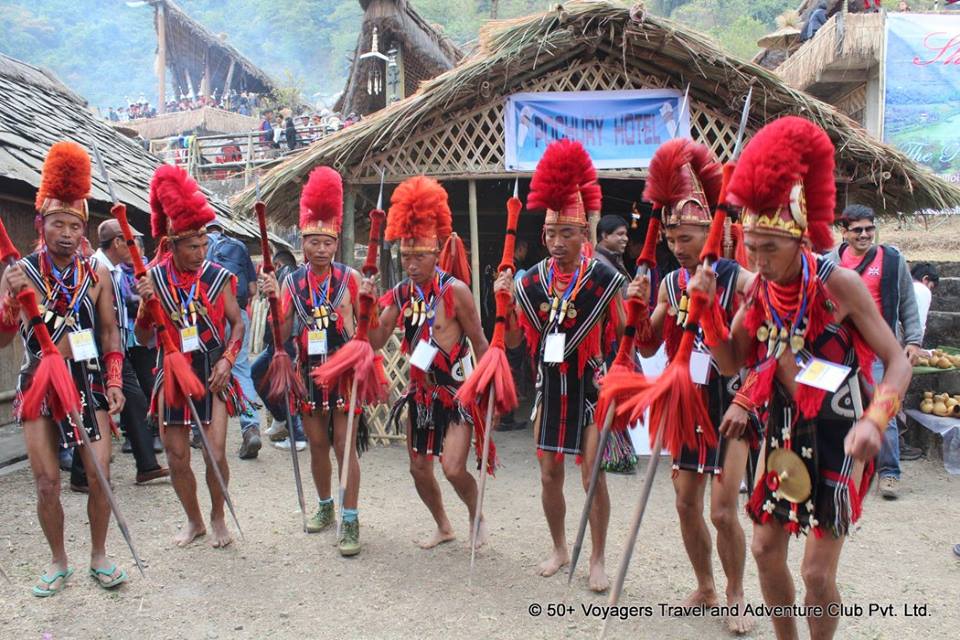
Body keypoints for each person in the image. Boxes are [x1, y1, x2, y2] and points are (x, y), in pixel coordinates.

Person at [697, 116, 911, 640]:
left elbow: (898, 359)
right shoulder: (758, 295)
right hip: (781, 435)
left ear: (799, 239)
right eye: (752, 248)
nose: (758, 261)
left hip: (841, 437)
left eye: (770, 248)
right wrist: (706, 310)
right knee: (766, 551)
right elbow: (731, 364)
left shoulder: (839, 284)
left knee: (817, 573)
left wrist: (876, 422)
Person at [627, 138, 757, 633]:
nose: (679, 249)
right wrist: (636, 310)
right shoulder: (669, 284)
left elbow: (758, 351)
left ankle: (737, 591)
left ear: (713, 230)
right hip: (686, 403)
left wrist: (746, 396)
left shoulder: (740, 279)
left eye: (688, 238)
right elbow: (646, 346)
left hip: (732, 403)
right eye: (673, 240)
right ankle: (704, 584)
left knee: (724, 512)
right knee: (685, 503)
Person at [496, 139, 626, 592]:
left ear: (583, 235)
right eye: (550, 234)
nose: (555, 242)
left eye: (565, 234)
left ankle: (598, 556)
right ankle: (558, 547)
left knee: (591, 475)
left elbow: (628, 337)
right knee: (549, 472)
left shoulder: (606, 279)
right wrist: (506, 303)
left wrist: (617, 372)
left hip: (590, 387)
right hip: (549, 387)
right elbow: (515, 341)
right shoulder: (530, 281)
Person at [0, 141, 128, 595]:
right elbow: (4, 338)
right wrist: (9, 303)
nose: (68, 234)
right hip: (38, 384)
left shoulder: (98, 275)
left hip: (89, 383)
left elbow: (110, 332)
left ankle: (99, 554)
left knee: (100, 474)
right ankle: (58, 559)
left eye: (75, 225)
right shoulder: (20, 273)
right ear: (42, 225)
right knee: (47, 482)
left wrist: (114, 381)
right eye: (59, 224)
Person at [364, 176, 491, 550]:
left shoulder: (456, 291)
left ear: (436, 252)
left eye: (419, 256)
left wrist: (487, 390)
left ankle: (476, 514)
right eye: (405, 256)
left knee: (453, 468)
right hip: (419, 395)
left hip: (455, 393)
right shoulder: (400, 293)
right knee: (419, 469)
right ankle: (443, 525)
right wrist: (367, 309)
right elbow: (374, 341)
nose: (412, 263)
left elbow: (480, 340)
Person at [134, 164, 246, 549]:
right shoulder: (153, 279)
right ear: (173, 243)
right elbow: (141, 336)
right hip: (173, 371)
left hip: (212, 370)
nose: (200, 253)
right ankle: (194, 520)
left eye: (203, 245)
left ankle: (218, 516)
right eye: (192, 247)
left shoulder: (217, 278)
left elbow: (238, 325)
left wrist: (228, 361)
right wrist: (147, 307)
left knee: (214, 452)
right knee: (177, 456)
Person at [259, 167, 368, 555]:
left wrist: (365, 308)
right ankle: (324, 507)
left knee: (344, 444)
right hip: (307, 372)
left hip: (344, 372)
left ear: (335, 243)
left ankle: (350, 518)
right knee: (318, 444)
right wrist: (272, 299)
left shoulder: (351, 279)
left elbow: (364, 329)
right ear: (303, 244)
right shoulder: (291, 282)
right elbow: (283, 332)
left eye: (327, 242)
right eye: (314, 242)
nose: (321, 249)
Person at [825, 204, 922, 499]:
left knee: (885, 410)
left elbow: (907, 302)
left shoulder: (891, 260)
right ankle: (841, 470)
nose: (865, 234)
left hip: (881, 349)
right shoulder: (831, 262)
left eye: (870, 228)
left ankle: (889, 473)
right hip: (842, 350)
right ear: (844, 233)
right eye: (858, 230)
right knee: (838, 408)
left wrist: (914, 340)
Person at [70, 220, 168, 491]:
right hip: (91, 350)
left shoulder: (116, 270)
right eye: (132, 240)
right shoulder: (90, 269)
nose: (137, 247)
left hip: (117, 348)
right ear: (117, 243)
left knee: (135, 399)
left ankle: (147, 466)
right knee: (92, 407)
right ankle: (81, 475)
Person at [206, 219, 262, 460]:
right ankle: (250, 427)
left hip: (206, 317)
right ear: (222, 229)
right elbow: (251, 289)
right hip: (236, 314)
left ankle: (201, 429)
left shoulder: (195, 245)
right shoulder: (238, 246)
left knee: (203, 366)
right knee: (240, 368)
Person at [910, 262, 939, 339]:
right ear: (925, 279)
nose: (929, 290)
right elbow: (919, 322)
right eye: (930, 286)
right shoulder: (922, 289)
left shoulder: (901, 285)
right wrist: (916, 345)